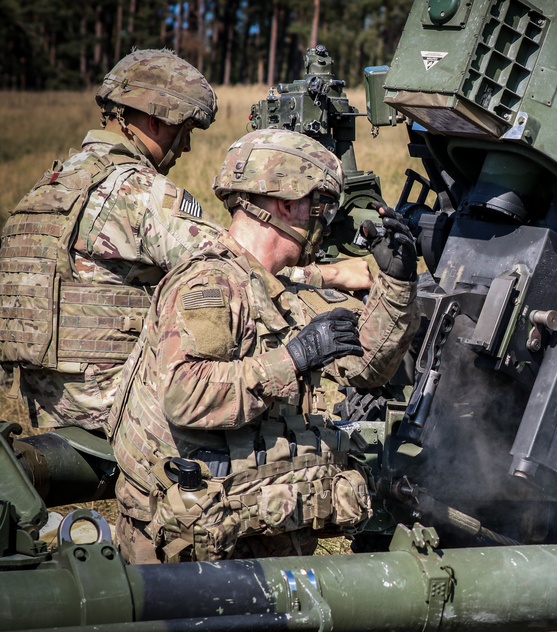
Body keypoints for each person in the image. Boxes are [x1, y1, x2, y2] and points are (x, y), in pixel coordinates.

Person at [0, 49, 371, 434]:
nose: (187, 147)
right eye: (186, 130)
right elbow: (239, 267)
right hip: (114, 405)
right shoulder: (139, 194)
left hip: (43, 400)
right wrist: (331, 275)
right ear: (157, 120)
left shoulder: (51, 186)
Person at [109, 127, 419, 568]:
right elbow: (186, 395)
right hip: (184, 555)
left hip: (257, 534)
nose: (323, 223)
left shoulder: (280, 285)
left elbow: (366, 367)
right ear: (288, 203)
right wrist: (293, 359)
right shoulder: (210, 284)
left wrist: (398, 284)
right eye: (321, 207)